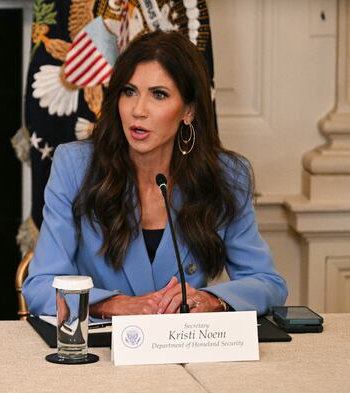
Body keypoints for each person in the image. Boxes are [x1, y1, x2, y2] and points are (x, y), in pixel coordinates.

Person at [23, 30, 287, 318]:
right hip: (102, 355)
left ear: (188, 110)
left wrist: (211, 300)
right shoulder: (75, 167)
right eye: (129, 92)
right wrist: (112, 305)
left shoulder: (226, 176)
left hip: (185, 351)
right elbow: (39, 287)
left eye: (158, 95)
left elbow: (268, 284)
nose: (138, 110)